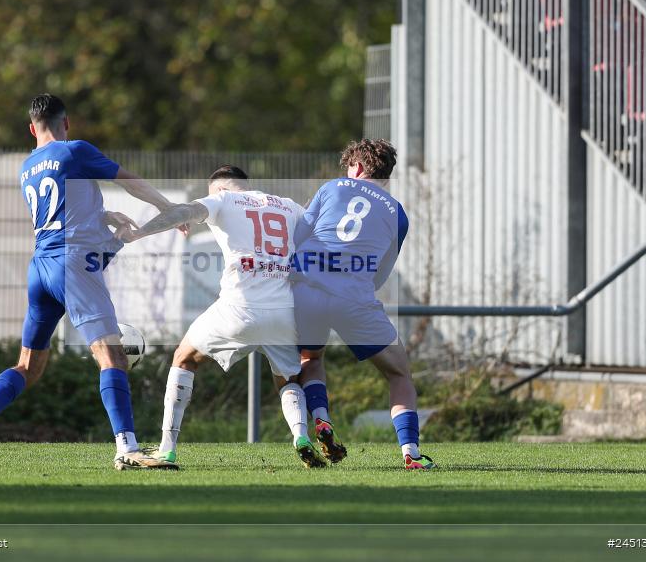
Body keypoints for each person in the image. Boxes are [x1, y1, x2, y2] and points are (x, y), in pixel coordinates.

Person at [0, 93, 178, 471]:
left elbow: (60, 209)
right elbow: (130, 182)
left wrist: (106, 218)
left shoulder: (27, 166)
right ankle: (126, 449)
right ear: (67, 122)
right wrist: (168, 208)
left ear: (32, 128)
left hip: (41, 267)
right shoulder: (74, 150)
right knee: (111, 356)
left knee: (28, 366)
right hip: (73, 264)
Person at [121, 165, 327, 468]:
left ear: (219, 189)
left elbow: (184, 211)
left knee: (183, 357)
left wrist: (140, 232)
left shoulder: (222, 200)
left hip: (238, 308)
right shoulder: (287, 205)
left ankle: (167, 448)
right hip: (284, 311)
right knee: (288, 379)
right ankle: (300, 436)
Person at [291, 139, 435, 470]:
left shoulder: (331, 187)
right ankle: (411, 453)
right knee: (399, 372)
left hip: (307, 289)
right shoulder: (398, 214)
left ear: (355, 167)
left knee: (311, 358)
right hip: (353, 297)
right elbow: (380, 274)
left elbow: (298, 234)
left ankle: (322, 420)